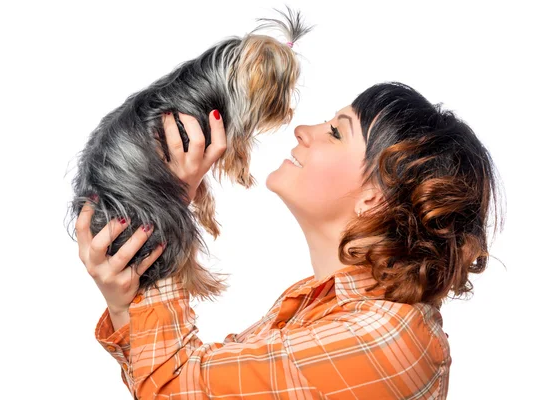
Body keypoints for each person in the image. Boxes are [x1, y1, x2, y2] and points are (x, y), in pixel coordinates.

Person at [75, 82, 503, 399]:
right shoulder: (314, 303)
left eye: (337, 132)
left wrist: (162, 205)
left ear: (374, 196)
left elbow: (174, 387)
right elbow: (192, 381)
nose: (303, 129)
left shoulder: (384, 337)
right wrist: (122, 300)